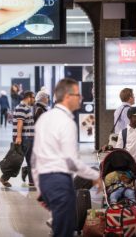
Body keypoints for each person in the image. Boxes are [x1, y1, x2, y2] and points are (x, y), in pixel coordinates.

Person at [32, 78, 101, 237]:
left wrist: (40, 189)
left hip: (46, 180)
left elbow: (35, 158)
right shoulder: (66, 122)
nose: (81, 98)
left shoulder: (45, 118)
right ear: (68, 97)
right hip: (60, 182)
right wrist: (94, 175)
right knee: (64, 231)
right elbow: (71, 161)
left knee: (60, 228)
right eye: (78, 95)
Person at [0, 91, 35, 188]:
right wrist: (19, 137)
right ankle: (4, 177)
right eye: (33, 97)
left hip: (28, 137)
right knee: (17, 160)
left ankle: (32, 181)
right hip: (24, 138)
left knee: (30, 160)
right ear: (28, 97)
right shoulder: (22, 107)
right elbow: (20, 123)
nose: (34, 100)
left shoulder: (26, 108)